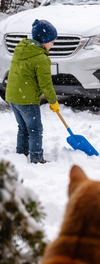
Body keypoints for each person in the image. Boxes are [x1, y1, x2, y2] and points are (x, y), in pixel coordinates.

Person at [5, 19, 60, 164]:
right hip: (27, 100)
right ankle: (36, 157)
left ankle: (20, 154)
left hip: (12, 96)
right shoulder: (41, 58)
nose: (52, 45)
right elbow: (46, 84)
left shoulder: (22, 49)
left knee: (23, 128)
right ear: (44, 41)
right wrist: (53, 101)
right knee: (35, 129)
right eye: (52, 42)